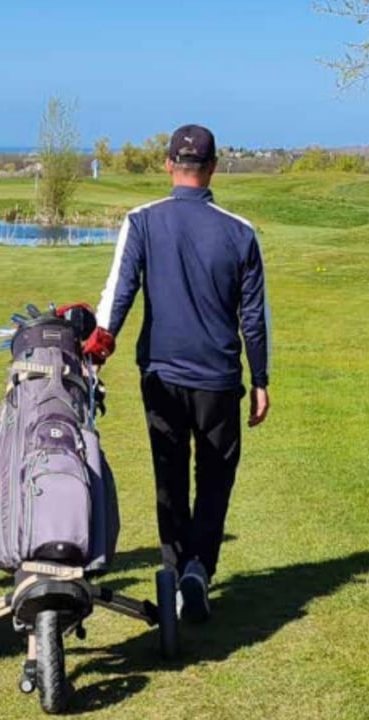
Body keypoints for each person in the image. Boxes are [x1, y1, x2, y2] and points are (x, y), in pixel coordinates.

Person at [85, 124, 271, 623]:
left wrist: (98, 347)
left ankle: (174, 571)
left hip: (162, 373)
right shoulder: (240, 230)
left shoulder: (142, 221)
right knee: (215, 477)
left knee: (169, 475)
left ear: (168, 164)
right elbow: (253, 316)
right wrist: (261, 380)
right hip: (218, 377)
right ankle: (197, 570)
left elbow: (118, 291)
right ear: (213, 168)